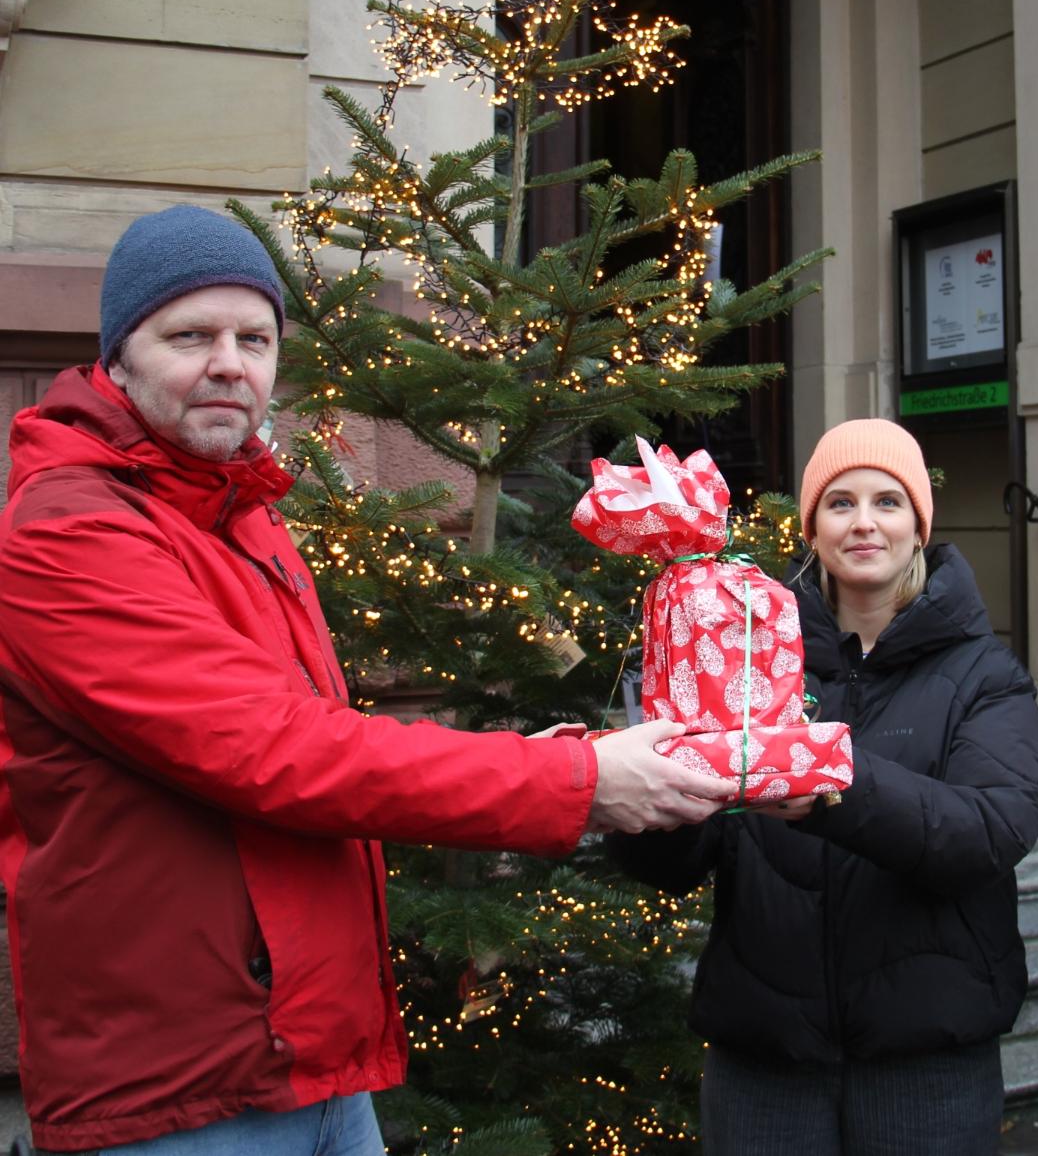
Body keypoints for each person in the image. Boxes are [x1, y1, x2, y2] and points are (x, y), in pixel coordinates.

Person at [0, 206, 739, 1156]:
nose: (230, 362)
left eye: (255, 338)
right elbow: (278, 752)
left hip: (309, 1056)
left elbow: (317, 742)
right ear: (118, 357)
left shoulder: (240, 511)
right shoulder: (70, 531)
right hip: (182, 1091)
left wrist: (579, 758)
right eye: (190, 335)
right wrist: (580, 783)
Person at [610, 418, 1038, 1155]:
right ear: (811, 528)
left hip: (926, 1064)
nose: (865, 523)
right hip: (765, 1062)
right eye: (841, 503)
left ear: (919, 525)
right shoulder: (738, 652)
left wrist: (828, 783)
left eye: (888, 502)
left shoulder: (985, 674)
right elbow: (669, 867)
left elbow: (990, 831)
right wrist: (650, 796)